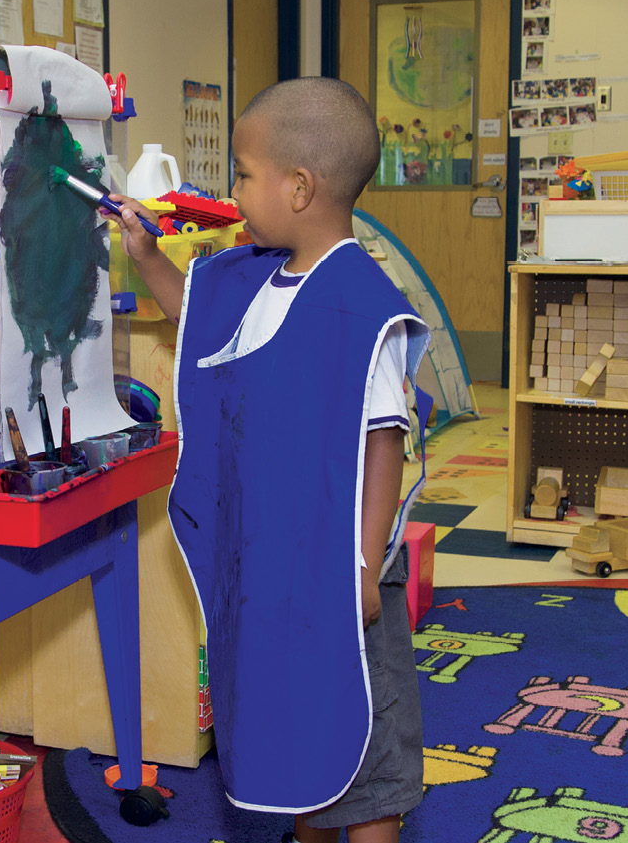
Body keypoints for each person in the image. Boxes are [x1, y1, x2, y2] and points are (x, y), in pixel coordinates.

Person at [113, 77, 429, 843]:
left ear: (298, 187)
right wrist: (147, 258)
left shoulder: (361, 303)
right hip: (281, 563)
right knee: (295, 729)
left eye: (244, 175)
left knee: (365, 742)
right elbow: (200, 321)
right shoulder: (257, 276)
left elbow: (383, 442)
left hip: (344, 572)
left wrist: (361, 562)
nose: (234, 192)